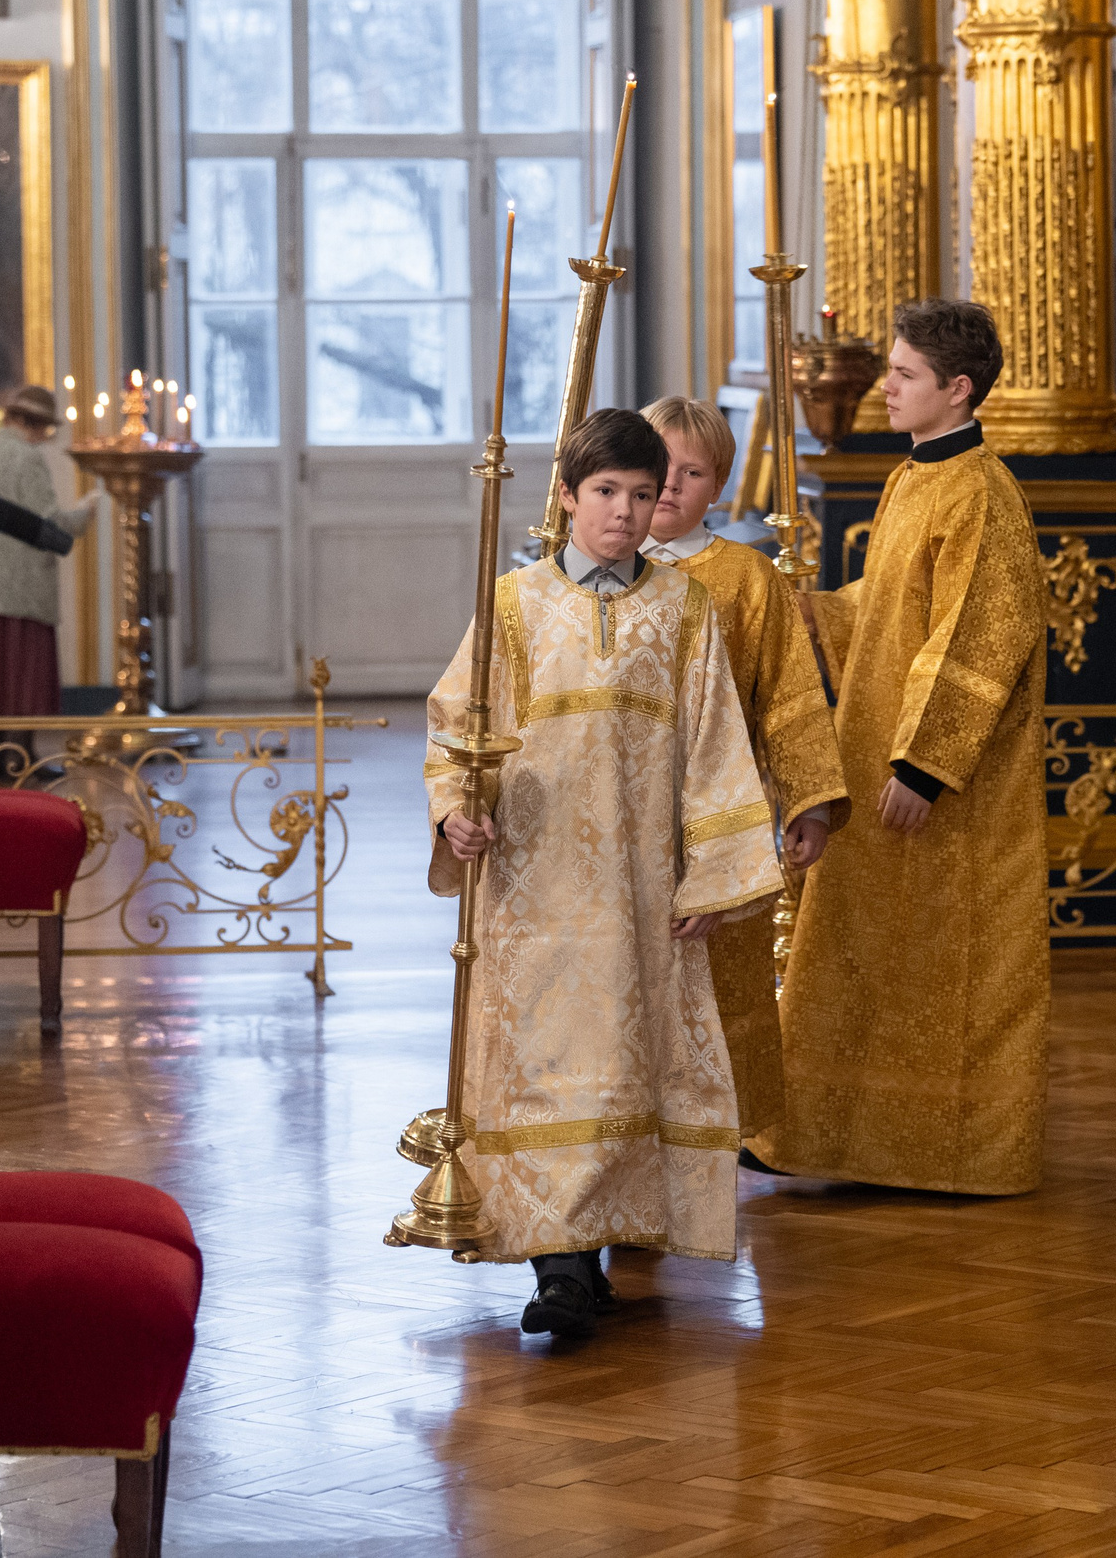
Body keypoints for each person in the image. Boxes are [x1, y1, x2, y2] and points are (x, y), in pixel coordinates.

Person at [425, 406, 783, 1339]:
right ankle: (560, 1267)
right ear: (567, 496)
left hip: (642, 891)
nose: (624, 512)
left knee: (628, 1068)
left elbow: (715, 744)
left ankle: (603, 1245)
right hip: (532, 889)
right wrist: (457, 810)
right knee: (546, 1069)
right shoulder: (514, 604)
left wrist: (714, 874)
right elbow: (459, 726)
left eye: (642, 493)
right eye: (605, 492)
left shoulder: (684, 608)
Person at [751, 299, 1052, 1196]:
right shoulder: (914, 476)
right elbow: (889, 613)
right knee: (855, 947)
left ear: (957, 388)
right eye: (890, 369)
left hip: (940, 783)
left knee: (947, 963)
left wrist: (924, 765)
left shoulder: (983, 493)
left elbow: (980, 639)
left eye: (903, 373)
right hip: (874, 752)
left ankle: (953, 1148)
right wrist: (816, 612)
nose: (886, 386)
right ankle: (827, 1134)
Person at [637, 395, 848, 1140]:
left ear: (719, 488)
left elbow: (789, 696)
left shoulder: (746, 578)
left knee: (721, 974)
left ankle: (713, 1134)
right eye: (658, 466)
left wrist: (808, 800)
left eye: (692, 473)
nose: (670, 484)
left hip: (722, 813)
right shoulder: (600, 569)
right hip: (621, 814)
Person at [0, 385, 99, 781]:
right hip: (24, 583)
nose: (44, 437)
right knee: (24, 675)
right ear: (26, 422)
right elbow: (48, 521)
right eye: (43, 428)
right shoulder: (28, 458)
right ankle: (20, 756)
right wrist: (84, 513)